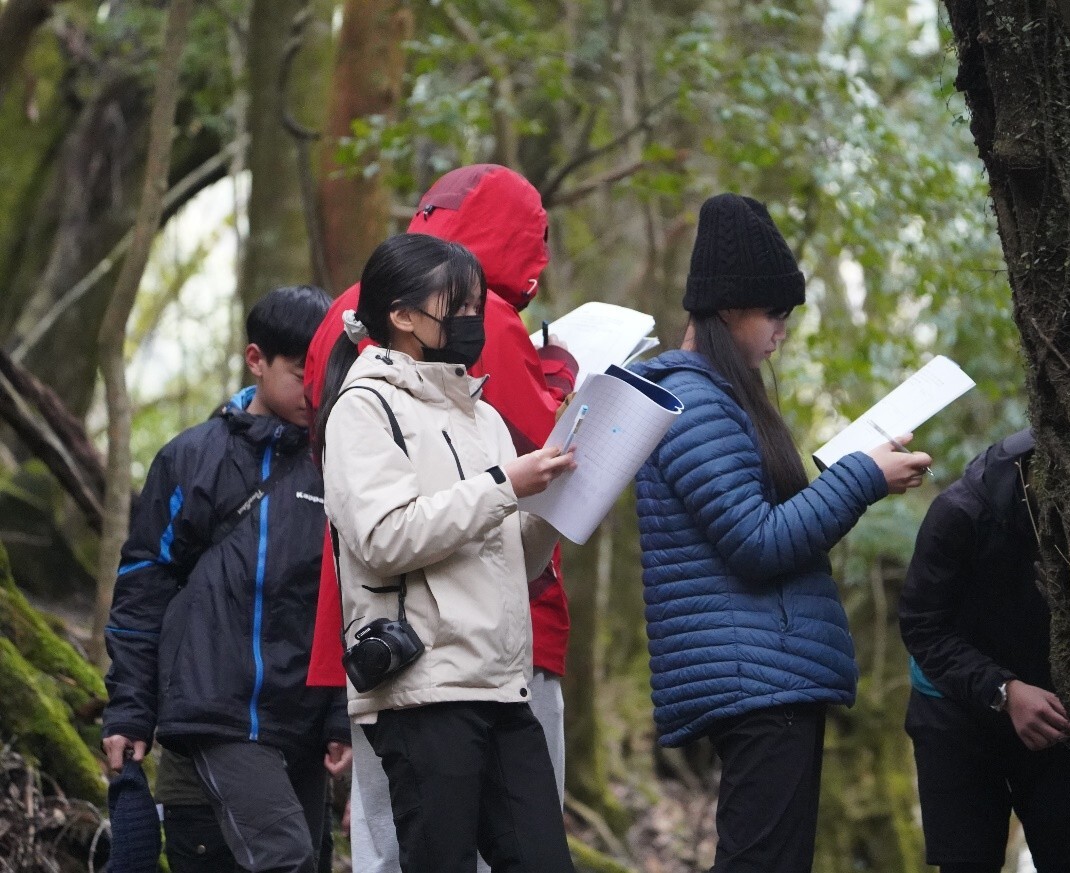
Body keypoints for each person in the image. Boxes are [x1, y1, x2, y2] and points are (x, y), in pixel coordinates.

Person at [632, 193, 932, 873]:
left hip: (763, 675)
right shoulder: (695, 402)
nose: (782, 332)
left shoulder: (715, 397)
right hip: (757, 682)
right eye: (775, 313)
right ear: (729, 307)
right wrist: (861, 477)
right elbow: (758, 541)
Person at [301, 164, 576, 870]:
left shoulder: (480, 412)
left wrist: (556, 500)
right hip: (423, 689)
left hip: (501, 684)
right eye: (459, 305)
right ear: (401, 314)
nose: (474, 321)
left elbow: (514, 549)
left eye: (480, 304)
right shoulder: (364, 408)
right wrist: (503, 484)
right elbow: (384, 537)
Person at [102, 285, 350, 873]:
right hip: (215, 712)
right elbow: (142, 587)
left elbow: (351, 599)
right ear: (256, 360)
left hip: (305, 722)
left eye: (323, 374)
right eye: (298, 373)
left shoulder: (340, 461)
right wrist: (130, 711)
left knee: (306, 858)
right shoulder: (192, 459)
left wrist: (340, 715)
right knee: (286, 858)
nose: (314, 392)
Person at [898, 428, 1070, 873]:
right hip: (953, 711)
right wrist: (1004, 689)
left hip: (1056, 709)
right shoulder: (959, 514)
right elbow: (922, 627)